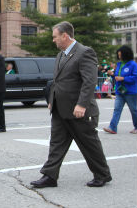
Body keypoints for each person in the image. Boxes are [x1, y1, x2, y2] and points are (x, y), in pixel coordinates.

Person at [31, 21, 112, 188]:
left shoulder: (84, 53)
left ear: (64, 36)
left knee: (88, 143)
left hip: (78, 110)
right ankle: (50, 176)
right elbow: (58, 81)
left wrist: (82, 104)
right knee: (56, 142)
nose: (53, 40)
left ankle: (102, 174)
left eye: (55, 37)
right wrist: (52, 100)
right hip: (60, 108)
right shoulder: (61, 54)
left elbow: (89, 81)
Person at [103, 45, 137, 134]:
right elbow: (117, 75)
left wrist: (123, 79)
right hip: (120, 90)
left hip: (130, 91)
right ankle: (112, 127)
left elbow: (135, 77)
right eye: (118, 55)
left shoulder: (133, 64)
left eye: (120, 55)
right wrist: (112, 74)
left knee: (134, 110)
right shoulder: (119, 64)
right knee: (117, 109)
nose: (119, 56)